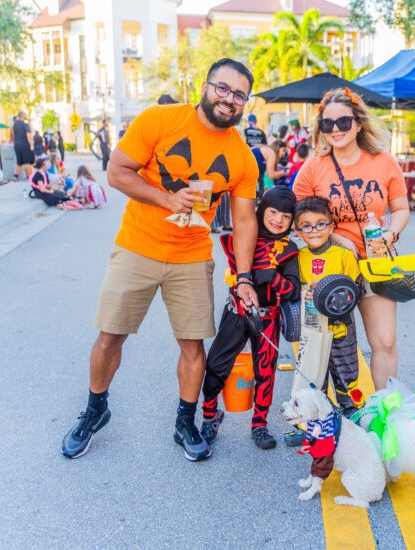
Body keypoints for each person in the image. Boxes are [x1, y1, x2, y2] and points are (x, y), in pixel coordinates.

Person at [60, 58, 260, 462]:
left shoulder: (242, 157)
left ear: (245, 103)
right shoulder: (160, 120)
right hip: (138, 245)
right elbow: (117, 172)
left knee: (192, 345)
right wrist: (167, 198)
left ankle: (184, 421)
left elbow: (243, 220)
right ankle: (95, 409)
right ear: (205, 86)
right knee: (110, 334)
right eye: (223, 88)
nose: (229, 99)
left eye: (239, 94)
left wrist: (244, 278)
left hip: (191, 257)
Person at [293, 87, 410, 391]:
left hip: (375, 262)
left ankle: (385, 410)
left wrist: (390, 233)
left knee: (385, 341)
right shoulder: (312, 169)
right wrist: (333, 239)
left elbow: (401, 209)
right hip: (330, 267)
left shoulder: (383, 162)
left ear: (358, 123)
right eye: (327, 123)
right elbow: (299, 219)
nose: (335, 130)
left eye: (343, 122)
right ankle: (317, 416)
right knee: (322, 346)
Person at [200, 187, 300, 450]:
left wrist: (274, 278)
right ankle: (210, 415)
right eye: (273, 212)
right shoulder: (244, 237)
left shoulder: (289, 250)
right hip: (236, 312)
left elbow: (294, 289)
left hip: (269, 318)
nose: (278, 220)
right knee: (216, 365)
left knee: (265, 372)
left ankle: (259, 423)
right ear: (261, 210)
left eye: (286, 217)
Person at [293, 197, 364, 415]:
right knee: (314, 372)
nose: (314, 230)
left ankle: (351, 409)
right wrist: (305, 290)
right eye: (306, 226)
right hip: (312, 327)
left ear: (331, 226)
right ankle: (317, 414)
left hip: (341, 325)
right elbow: (292, 289)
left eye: (321, 224)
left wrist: (332, 291)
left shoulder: (343, 255)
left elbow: (356, 289)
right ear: (298, 231)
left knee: (346, 369)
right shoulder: (297, 257)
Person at [12, 111, 35, 180]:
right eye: (25, 115)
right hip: (25, 145)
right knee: (27, 162)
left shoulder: (14, 125)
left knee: (19, 162)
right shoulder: (25, 125)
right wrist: (31, 145)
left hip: (17, 145)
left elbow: (14, 135)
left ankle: (15, 176)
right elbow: (29, 135)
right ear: (23, 116)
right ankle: (29, 176)